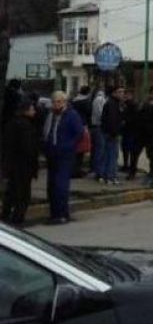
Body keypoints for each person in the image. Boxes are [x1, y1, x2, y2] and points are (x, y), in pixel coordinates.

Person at [42, 91, 84, 225]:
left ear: (65, 102)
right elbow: (46, 131)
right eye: (54, 101)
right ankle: (54, 213)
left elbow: (79, 133)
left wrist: (68, 146)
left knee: (61, 185)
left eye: (59, 101)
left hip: (65, 154)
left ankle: (62, 214)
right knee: (52, 185)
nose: (56, 104)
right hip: (52, 153)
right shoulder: (51, 115)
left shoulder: (71, 115)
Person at [2, 99, 39, 225]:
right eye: (32, 109)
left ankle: (6, 215)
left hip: (11, 164)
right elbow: (28, 148)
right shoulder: (26, 126)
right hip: (23, 165)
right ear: (26, 110)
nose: (34, 111)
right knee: (22, 194)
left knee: (11, 192)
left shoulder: (11, 123)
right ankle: (18, 218)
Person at [100, 86, 125, 185]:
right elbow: (112, 120)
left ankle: (106, 175)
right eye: (120, 92)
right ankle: (111, 177)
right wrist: (115, 133)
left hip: (107, 132)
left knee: (107, 155)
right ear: (114, 93)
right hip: (112, 133)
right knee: (112, 156)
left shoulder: (112, 103)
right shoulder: (112, 104)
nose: (122, 94)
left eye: (123, 92)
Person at [71, 86, 93, 177]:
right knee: (81, 150)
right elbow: (89, 114)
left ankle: (74, 169)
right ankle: (76, 170)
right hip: (83, 126)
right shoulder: (86, 102)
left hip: (74, 126)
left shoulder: (74, 101)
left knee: (75, 150)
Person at [121, 90, 139, 180]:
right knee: (125, 149)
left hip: (132, 132)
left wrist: (125, 121)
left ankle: (132, 170)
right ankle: (126, 165)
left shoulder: (133, 105)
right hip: (126, 132)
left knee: (132, 152)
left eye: (127, 95)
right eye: (125, 95)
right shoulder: (125, 105)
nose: (125, 97)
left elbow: (134, 118)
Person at [89, 88, 107, 180]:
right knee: (100, 150)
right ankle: (98, 171)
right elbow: (101, 113)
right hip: (99, 126)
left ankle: (94, 169)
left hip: (95, 126)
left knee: (95, 149)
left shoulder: (94, 100)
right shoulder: (101, 100)